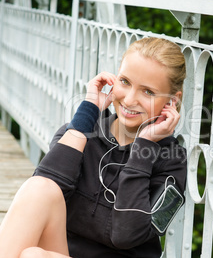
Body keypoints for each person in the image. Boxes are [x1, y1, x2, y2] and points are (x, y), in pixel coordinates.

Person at [0, 37, 187, 257]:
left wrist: (142, 150)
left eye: (148, 92)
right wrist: (88, 111)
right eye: (125, 81)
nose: (129, 99)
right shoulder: (79, 133)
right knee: (39, 191)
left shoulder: (173, 161)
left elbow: (125, 235)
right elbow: (43, 195)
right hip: (62, 250)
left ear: (172, 101)